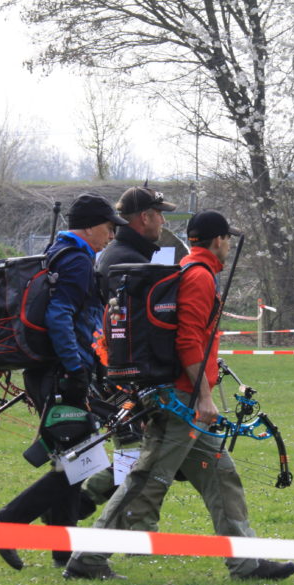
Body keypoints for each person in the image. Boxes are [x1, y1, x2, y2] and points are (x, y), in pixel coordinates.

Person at [64, 210, 294, 581]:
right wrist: (204, 398)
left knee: (222, 476)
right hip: (182, 401)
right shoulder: (199, 277)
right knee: (146, 480)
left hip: (183, 398)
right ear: (219, 240)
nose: (229, 246)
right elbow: (188, 340)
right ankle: (87, 559)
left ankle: (246, 562)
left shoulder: (189, 269)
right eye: (228, 239)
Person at [0, 193, 128, 571]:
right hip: (62, 373)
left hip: (50, 370)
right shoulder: (77, 259)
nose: (112, 236)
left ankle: (64, 551)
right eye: (109, 227)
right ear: (91, 226)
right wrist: (75, 368)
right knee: (82, 460)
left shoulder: (60, 253)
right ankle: (6, 523)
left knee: (73, 461)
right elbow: (59, 315)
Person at [82, 185, 180, 510]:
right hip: (122, 374)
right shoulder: (127, 261)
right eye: (160, 214)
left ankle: (85, 503)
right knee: (137, 451)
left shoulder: (124, 254)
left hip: (117, 370)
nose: (163, 221)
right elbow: (133, 327)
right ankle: (83, 504)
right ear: (145, 217)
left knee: (144, 452)